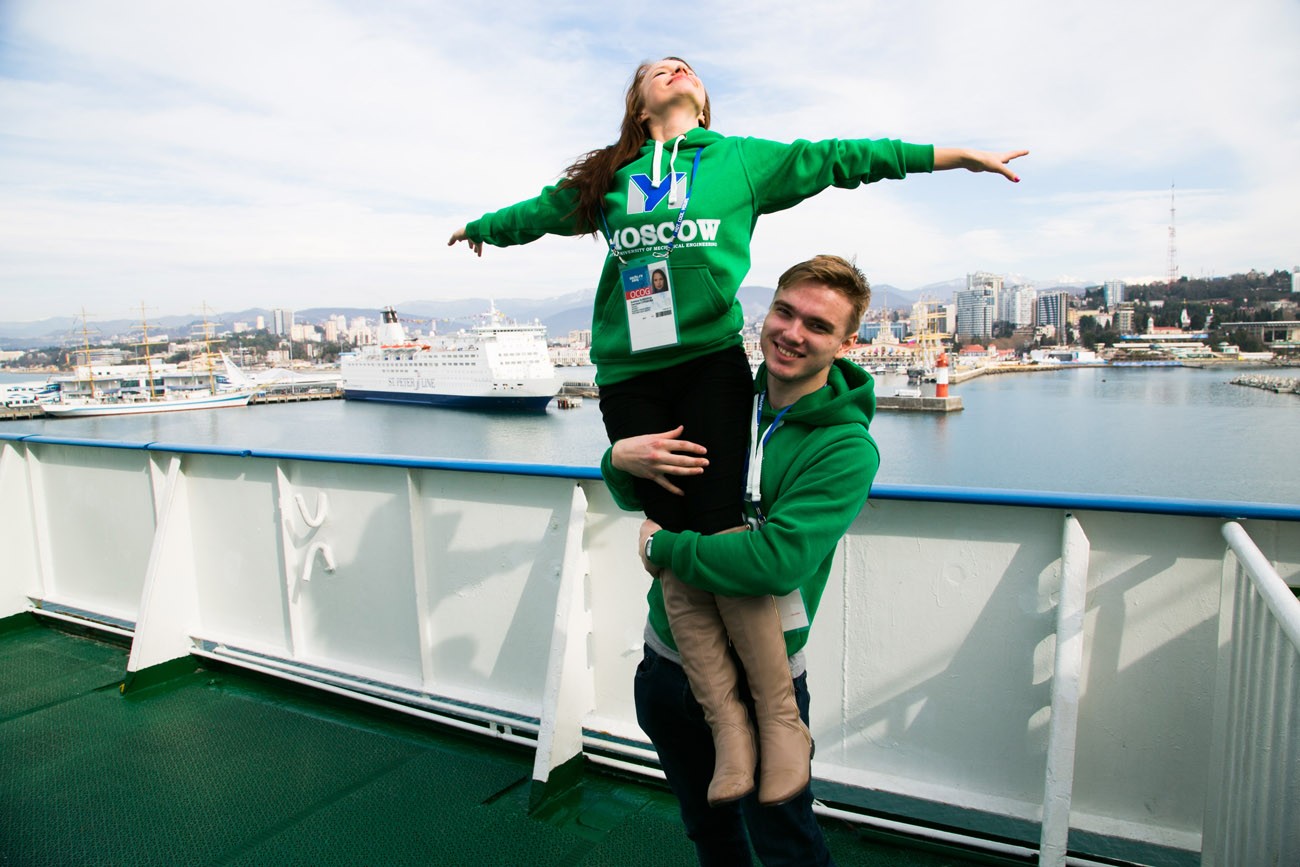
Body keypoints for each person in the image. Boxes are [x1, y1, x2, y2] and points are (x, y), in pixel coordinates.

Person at [449, 55, 1025, 808]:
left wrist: (953, 157)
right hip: (628, 372)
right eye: (658, 69)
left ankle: (778, 722)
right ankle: (729, 726)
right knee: (673, 526)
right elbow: (540, 212)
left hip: (709, 362)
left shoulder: (741, 162)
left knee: (713, 526)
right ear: (639, 103)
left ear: (704, 101)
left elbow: (843, 159)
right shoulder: (610, 178)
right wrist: (482, 229)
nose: (675, 67)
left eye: (685, 66)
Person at [604, 254, 878, 865]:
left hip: (767, 676)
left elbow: (774, 562)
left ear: (846, 343)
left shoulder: (844, 447)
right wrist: (618, 461)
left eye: (818, 325)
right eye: (785, 312)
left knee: (787, 846)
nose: (792, 333)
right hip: (668, 660)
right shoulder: (717, 396)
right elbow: (642, 493)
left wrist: (663, 547)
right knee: (709, 832)